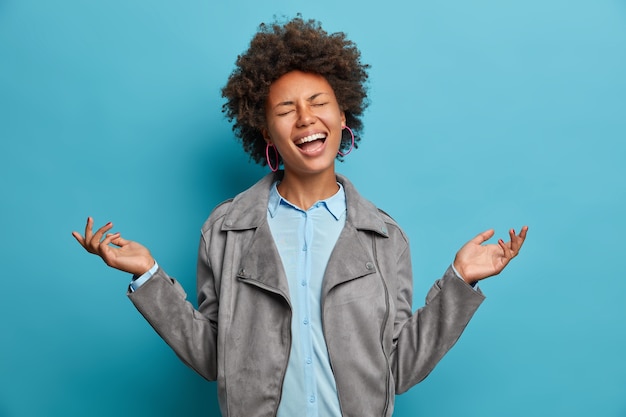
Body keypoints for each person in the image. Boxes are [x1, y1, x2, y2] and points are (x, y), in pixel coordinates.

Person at [72, 17, 528, 417]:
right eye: (286, 110)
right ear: (265, 131)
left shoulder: (386, 237)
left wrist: (460, 281)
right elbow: (215, 358)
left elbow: (399, 369)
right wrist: (148, 276)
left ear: (343, 113)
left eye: (319, 102)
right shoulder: (225, 230)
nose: (306, 119)